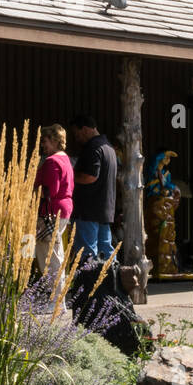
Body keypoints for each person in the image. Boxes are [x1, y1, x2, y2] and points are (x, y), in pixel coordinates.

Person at [68, 113, 117, 262]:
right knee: (106, 250)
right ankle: (110, 283)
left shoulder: (93, 147)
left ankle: (89, 284)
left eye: (76, 134)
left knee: (87, 252)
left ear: (84, 129)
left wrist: (69, 177)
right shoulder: (108, 147)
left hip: (88, 210)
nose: (77, 139)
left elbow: (90, 176)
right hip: (104, 209)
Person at [33, 124, 73, 284]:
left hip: (50, 213)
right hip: (62, 211)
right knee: (55, 253)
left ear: (55, 141)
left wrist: (30, 190)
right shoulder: (64, 158)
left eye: (45, 141)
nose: (42, 145)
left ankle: (56, 299)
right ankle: (57, 299)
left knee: (49, 256)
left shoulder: (51, 161)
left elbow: (50, 190)